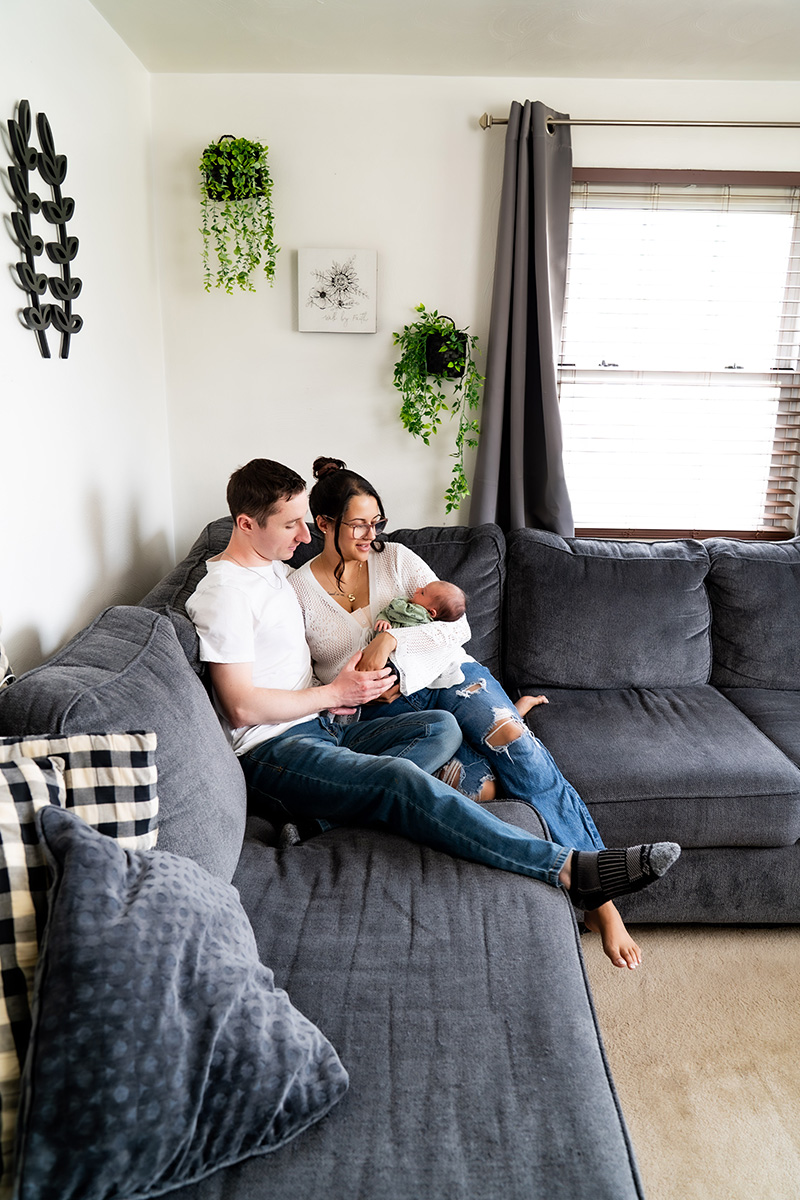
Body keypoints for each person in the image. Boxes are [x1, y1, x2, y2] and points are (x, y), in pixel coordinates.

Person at [186, 457, 681, 945]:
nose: (301, 539)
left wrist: (388, 648)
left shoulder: (279, 570)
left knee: (450, 730)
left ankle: (324, 820)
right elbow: (243, 707)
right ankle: (575, 872)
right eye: (294, 525)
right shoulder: (245, 589)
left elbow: (454, 626)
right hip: (286, 739)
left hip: (403, 691)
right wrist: (337, 690)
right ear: (251, 524)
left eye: (376, 522)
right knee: (411, 779)